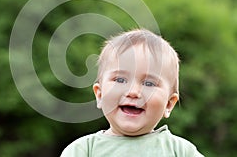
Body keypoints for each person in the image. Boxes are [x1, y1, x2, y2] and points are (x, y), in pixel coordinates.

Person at [60, 28, 204, 157]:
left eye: (149, 83)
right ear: (100, 95)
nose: (133, 92)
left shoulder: (180, 151)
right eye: (120, 80)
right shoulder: (83, 150)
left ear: (169, 104)